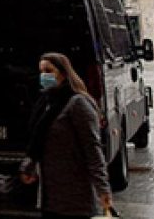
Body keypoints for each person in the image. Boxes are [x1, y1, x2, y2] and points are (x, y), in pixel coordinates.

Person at [21, 52, 113, 219]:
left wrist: (103, 190)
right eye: (41, 72)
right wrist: (30, 164)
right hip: (50, 197)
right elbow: (38, 142)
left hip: (75, 199)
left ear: (63, 73)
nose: (44, 76)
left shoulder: (78, 103)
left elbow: (92, 150)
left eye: (49, 71)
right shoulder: (46, 103)